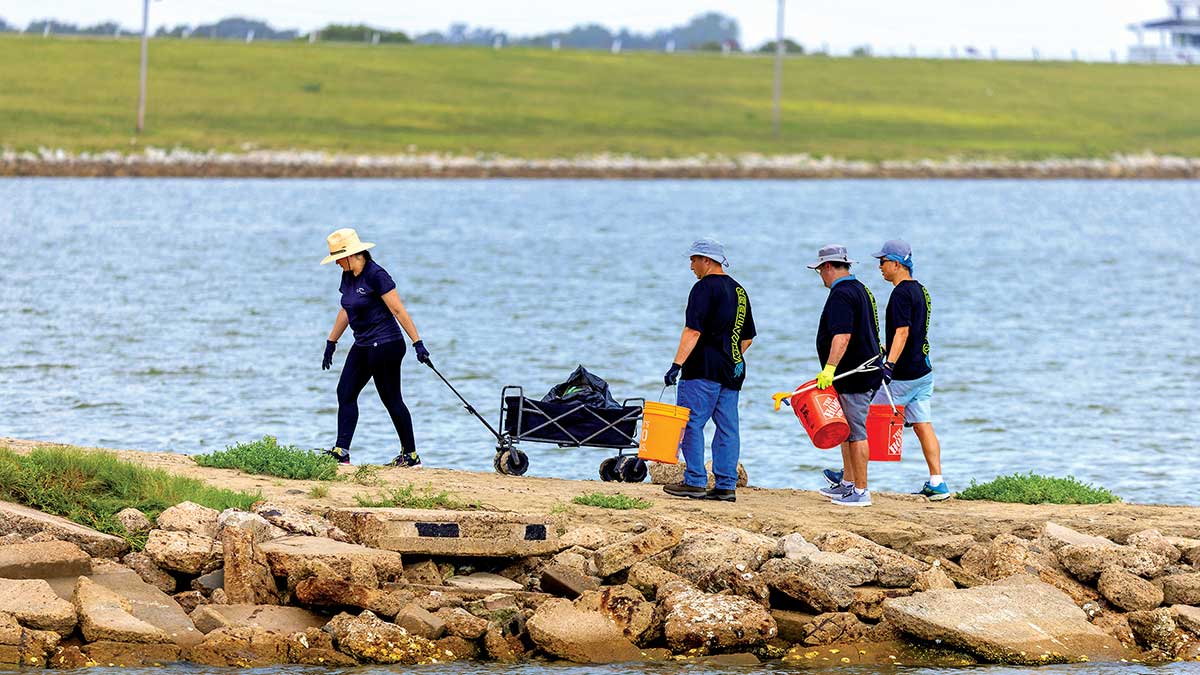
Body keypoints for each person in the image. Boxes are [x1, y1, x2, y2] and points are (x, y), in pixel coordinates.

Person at [320, 228, 430, 468]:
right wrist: (332, 341)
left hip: (386, 345)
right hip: (363, 344)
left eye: (338, 258)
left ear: (351, 255)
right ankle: (342, 452)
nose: (336, 263)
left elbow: (398, 310)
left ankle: (411, 456)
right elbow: (346, 309)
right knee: (345, 392)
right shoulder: (348, 275)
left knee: (391, 399)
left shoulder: (376, 275)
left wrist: (417, 343)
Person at [662, 238, 756, 503]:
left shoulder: (703, 288)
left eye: (693, 259)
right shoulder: (739, 291)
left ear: (707, 260)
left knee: (692, 423)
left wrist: (676, 365)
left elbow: (693, 330)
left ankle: (694, 481)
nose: (691, 265)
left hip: (701, 369)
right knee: (727, 428)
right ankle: (726, 485)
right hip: (733, 370)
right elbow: (747, 338)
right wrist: (728, 355)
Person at [872, 239, 948, 500]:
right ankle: (937, 482)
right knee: (923, 425)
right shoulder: (921, 290)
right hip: (924, 372)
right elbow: (914, 332)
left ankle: (848, 476)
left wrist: (889, 364)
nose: (880, 267)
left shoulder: (900, 293)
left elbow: (903, 332)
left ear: (896, 263)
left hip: (903, 374)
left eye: (882, 262)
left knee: (865, 418)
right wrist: (886, 349)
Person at [808, 244, 882, 507]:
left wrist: (829, 368)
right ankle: (848, 484)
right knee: (846, 430)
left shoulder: (842, 294)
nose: (820, 276)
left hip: (855, 375)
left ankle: (862, 492)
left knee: (857, 432)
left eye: (820, 270)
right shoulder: (859, 288)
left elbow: (843, 336)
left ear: (828, 267)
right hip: (859, 372)